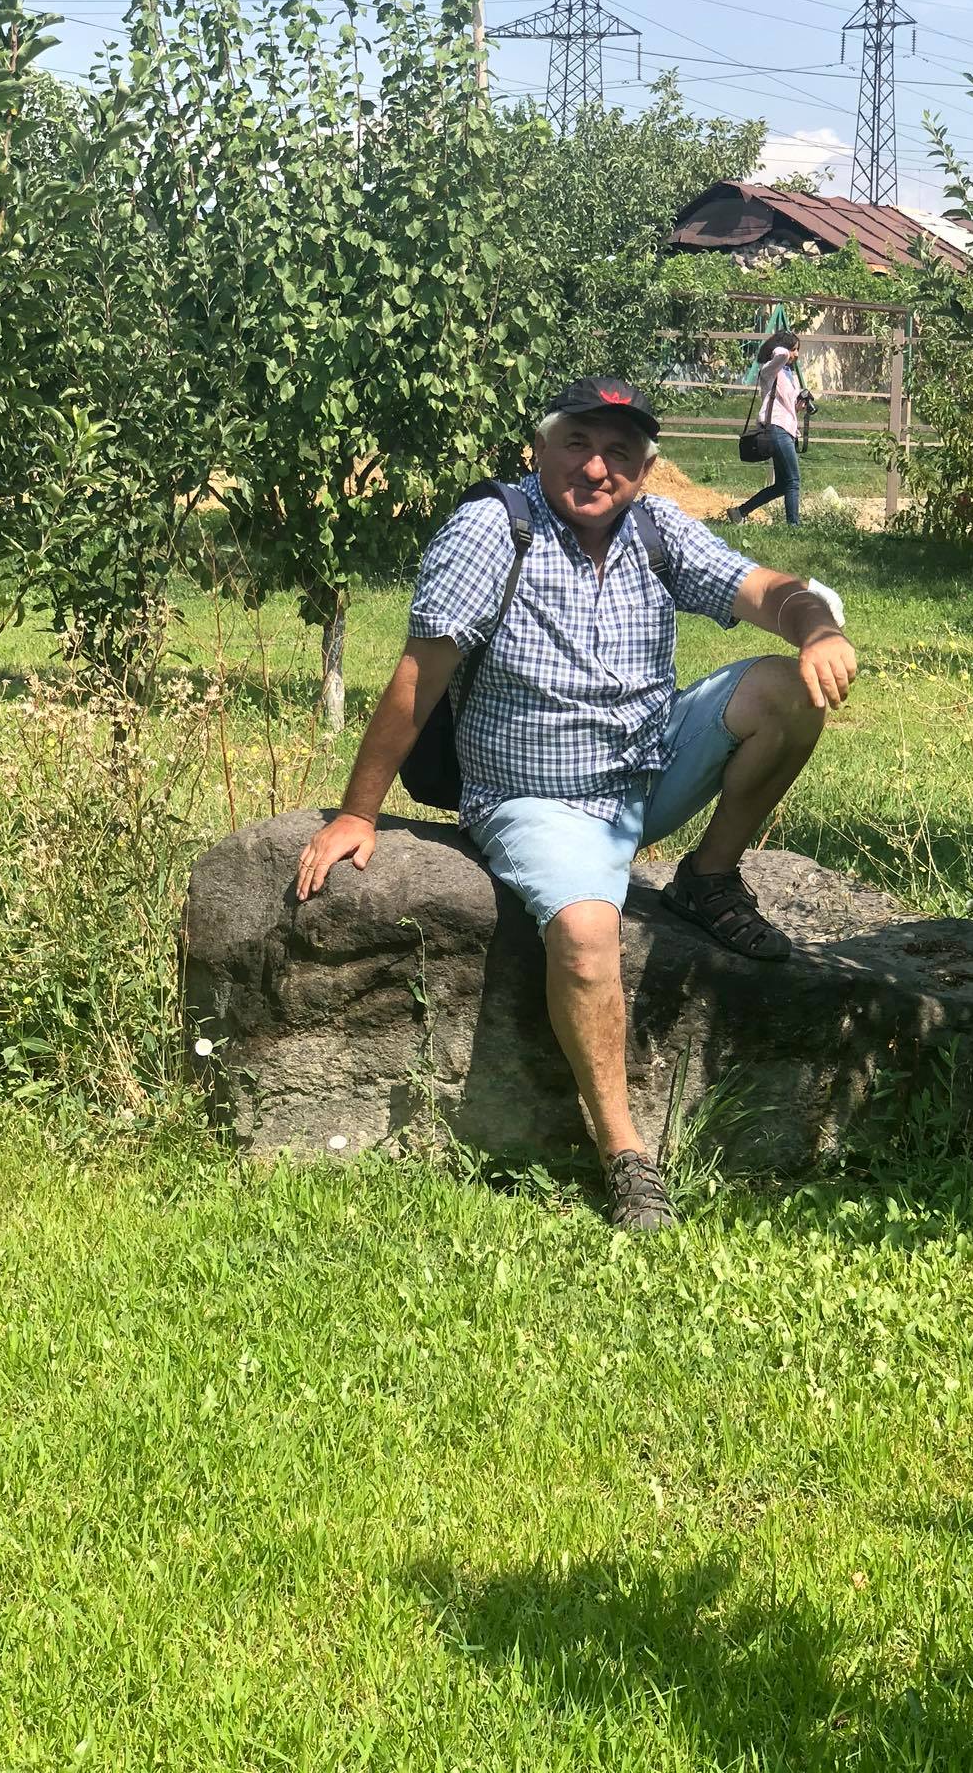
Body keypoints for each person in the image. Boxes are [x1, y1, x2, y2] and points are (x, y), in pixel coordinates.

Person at [295, 376, 858, 1233]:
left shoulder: (656, 529)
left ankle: (708, 879)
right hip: (536, 799)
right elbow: (419, 677)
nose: (597, 468)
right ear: (540, 448)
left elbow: (771, 588)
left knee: (787, 691)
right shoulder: (496, 529)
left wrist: (816, 628)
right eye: (578, 445)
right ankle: (628, 1158)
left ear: (646, 468)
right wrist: (356, 814)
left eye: (620, 453)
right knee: (589, 932)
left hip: (644, 773)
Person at [728, 329, 804, 527]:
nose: (796, 354)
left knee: (782, 484)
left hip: (787, 430)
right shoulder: (770, 370)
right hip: (777, 429)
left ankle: (739, 512)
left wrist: (799, 405)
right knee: (793, 481)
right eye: (794, 349)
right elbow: (782, 354)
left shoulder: (788, 374)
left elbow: (786, 404)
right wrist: (782, 346)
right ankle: (794, 528)